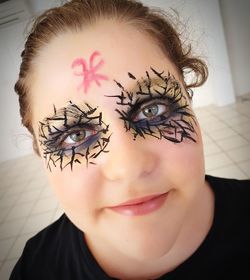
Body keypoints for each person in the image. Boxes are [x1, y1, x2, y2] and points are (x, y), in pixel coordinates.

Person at [10, 0, 250, 279]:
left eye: (152, 109)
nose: (129, 168)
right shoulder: (36, 270)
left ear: (188, 99)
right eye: (75, 134)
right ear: (40, 152)